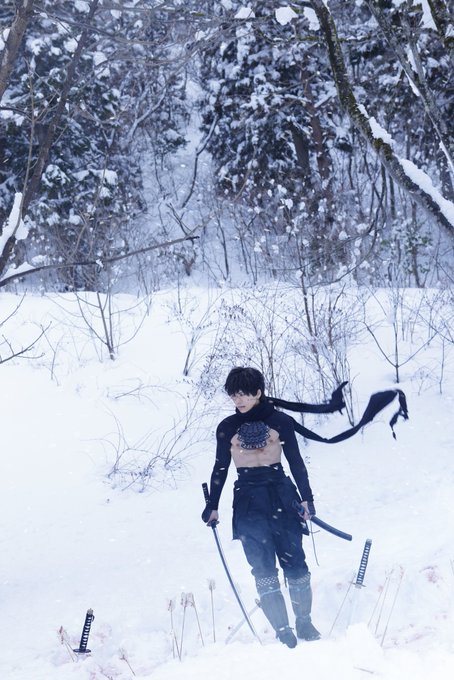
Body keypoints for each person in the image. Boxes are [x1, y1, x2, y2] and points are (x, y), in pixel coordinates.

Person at [202, 367, 322, 648]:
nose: (238, 400)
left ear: (257, 392)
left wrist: (307, 498)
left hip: (281, 494)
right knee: (263, 567)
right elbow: (220, 468)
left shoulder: (280, 421)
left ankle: (304, 622)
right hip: (248, 501)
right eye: (233, 395)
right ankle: (282, 628)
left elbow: (296, 462)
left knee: (295, 563)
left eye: (243, 394)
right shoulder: (227, 427)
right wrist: (212, 505)